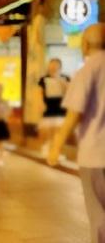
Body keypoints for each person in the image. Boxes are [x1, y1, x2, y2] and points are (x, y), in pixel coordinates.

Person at [48, 23, 105, 243]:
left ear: (85, 44)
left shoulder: (87, 71)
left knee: (98, 214)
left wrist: (56, 147)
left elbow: (74, 113)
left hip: (94, 155)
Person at [38, 57, 70, 154]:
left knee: (59, 131)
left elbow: (70, 92)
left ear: (60, 67)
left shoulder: (66, 78)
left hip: (61, 109)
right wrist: (40, 105)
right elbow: (39, 93)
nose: (53, 67)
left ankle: (57, 152)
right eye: (51, 65)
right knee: (48, 131)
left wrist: (63, 83)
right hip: (48, 108)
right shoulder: (43, 79)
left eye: (56, 65)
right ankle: (47, 150)